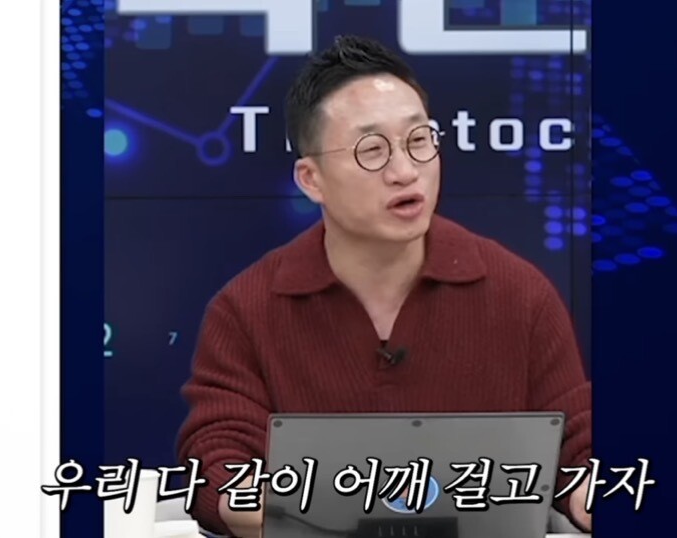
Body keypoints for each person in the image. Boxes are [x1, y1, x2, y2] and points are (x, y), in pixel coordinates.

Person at [176, 35, 592, 538]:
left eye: (419, 141)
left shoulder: (520, 295)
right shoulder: (246, 310)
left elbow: (578, 447)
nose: (405, 171)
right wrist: (273, 511)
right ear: (312, 179)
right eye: (372, 150)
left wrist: (591, 493)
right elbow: (217, 458)